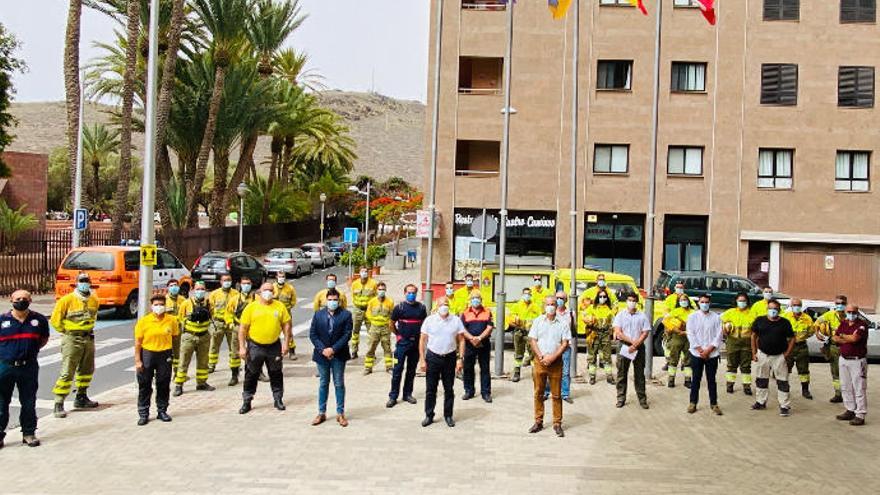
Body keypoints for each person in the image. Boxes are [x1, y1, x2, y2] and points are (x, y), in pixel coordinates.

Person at [0, 290, 50, 447]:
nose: (21, 301)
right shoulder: (2, 320)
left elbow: (43, 339)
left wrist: (29, 352)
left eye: (24, 299)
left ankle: (29, 433)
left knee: (28, 402)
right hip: (5, 367)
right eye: (18, 299)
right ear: (11, 300)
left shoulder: (39, 320)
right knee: (1, 403)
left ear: (30, 300)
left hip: (28, 367)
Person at [50, 273, 100, 418]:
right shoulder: (67, 300)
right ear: (76, 283)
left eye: (87, 281)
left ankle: (81, 396)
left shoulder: (93, 299)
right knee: (68, 370)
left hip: (88, 337)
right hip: (72, 338)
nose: (85, 283)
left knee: (87, 369)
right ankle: (59, 402)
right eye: (82, 281)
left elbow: (94, 316)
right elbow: (55, 320)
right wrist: (68, 331)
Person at [237, 283, 292, 414]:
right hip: (255, 346)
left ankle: (278, 399)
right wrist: (242, 347)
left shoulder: (280, 306)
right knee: (251, 374)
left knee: (276, 373)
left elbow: (286, 326)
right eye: (265, 290)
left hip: (274, 345)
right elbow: (243, 329)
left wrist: (286, 344)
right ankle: (247, 401)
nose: (268, 292)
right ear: (259, 292)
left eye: (271, 290)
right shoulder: (251, 307)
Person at [419, 297, 466, 428]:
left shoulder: (456, 320)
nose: (444, 307)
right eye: (441, 304)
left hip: (449, 358)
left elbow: (461, 340)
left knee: (449, 389)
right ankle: (429, 415)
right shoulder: (429, 320)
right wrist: (422, 360)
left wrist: (460, 358)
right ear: (436, 306)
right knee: (430, 389)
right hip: (433, 357)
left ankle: (448, 415)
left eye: (446, 304)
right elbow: (422, 340)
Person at [528, 296, 571, 438]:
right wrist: (540, 356)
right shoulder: (538, 321)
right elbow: (533, 340)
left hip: (555, 362)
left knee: (556, 394)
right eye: (548, 304)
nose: (551, 306)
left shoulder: (563, 323)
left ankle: (557, 423)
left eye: (553, 304)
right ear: (544, 305)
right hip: (540, 361)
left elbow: (565, 343)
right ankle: (538, 421)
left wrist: (553, 356)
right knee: (538, 393)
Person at [309, 289, 352, 427]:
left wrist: (333, 349)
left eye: (335, 300)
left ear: (338, 301)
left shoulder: (346, 315)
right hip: (322, 356)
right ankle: (321, 412)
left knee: (339, 383)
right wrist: (323, 350)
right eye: (330, 300)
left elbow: (347, 335)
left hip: (338, 354)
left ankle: (340, 413)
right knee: (323, 383)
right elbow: (313, 334)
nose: (332, 302)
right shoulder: (318, 315)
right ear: (326, 300)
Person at [134, 294, 179, 426]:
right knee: (145, 385)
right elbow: (138, 343)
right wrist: (138, 360)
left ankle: (162, 410)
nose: (159, 307)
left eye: (161, 304)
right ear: (151, 306)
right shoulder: (144, 321)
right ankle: (143, 413)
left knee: (163, 384)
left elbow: (175, 337)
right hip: (147, 353)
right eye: (156, 305)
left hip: (165, 354)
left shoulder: (171, 320)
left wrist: (175, 357)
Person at [751, 299, 796, 417]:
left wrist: (787, 354)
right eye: (771, 308)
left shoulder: (785, 323)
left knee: (782, 381)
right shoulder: (760, 321)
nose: (773, 311)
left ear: (779, 310)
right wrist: (754, 352)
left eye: (775, 309)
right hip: (763, 355)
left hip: (779, 356)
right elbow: (753, 336)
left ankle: (784, 405)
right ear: (767, 309)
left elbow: (792, 338)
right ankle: (760, 402)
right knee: (761, 379)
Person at [387, 284, 427, 408]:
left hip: (415, 344)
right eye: (409, 292)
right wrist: (398, 335)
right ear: (405, 293)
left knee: (411, 371)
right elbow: (391, 323)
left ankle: (407, 394)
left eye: (414, 292)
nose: (412, 294)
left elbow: (424, 325)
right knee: (397, 371)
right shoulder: (399, 308)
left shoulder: (421, 308)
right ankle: (393, 396)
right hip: (402, 344)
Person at [174, 281, 214, 396]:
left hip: (204, 336)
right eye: (198, 289)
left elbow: (213, 315)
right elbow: (180, 319)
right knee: (183, 361)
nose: (200, 291)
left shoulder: (209, 303)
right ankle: (179, 385)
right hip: (189, 336)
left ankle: (201, 383)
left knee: (203, 361)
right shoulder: (186, 303)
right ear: (193, 290)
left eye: (202, 289)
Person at [685, 294, 724, 415]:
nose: (704, 304)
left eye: (706, 302)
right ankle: (693, 403)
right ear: (698, 303)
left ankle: (714, 404)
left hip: (712, 354)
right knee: (696, 379)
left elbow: (719, 335)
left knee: (711, 380)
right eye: (702, 302)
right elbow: (690, 334)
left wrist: (709, 350)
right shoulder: (692, 317)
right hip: (697, 353)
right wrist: (700, 350)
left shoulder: (716, 318)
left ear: (710, 303)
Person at [612, 293, 650, 409]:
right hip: (624, 346)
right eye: (629, 300)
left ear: (637, 302)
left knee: (639, 374)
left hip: (638, 347)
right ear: (626, 301)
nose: (631, 302)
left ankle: (642, 399)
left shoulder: (642, 316)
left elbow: (645, 332)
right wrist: (631, 342)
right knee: (622, 373)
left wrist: (636, 344)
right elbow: (618, 332)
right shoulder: (621, 315)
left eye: (633, 300)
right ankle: (621, 398)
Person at [833, 304, 868, 426]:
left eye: (853, 312)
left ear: (857, 312)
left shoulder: (862, 325)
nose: (851, 314)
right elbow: (835, 337)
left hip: (857, 361)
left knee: (859, 388)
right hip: (844, 359)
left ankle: (860, 414)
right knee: (845, 386)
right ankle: (850, 409)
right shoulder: (843, 323)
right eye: (849, 312)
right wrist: (845, 338)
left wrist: (843, 336)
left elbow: (854, 339)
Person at [460, 291, 494, 403]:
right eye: (473, 298)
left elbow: (489, 327)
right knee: (468, 368)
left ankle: (486, 393)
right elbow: (462, 329)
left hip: (483, 343)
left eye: (478, 298)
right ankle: (469, 391)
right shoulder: (464, 313)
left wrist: (479, 338)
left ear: (481, 299)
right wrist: (471, 338)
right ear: (470, 300)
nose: (476, 300)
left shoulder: (488, 312)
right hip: (469, 344)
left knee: (485, 368)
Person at [720, 292, 756, 395]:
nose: (742, 303)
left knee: (746, 366)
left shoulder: (752, 314)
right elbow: (721, 323)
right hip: (732, 341)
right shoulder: (730, 312)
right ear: (736, 301)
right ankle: (730, 385)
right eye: (740, 300)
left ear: (747, 302)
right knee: (731, 364)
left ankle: (747, 386)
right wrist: (725, 329)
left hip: (746, 342)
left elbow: (755, 332)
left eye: (744, 301)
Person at [815, 295, 848, 403]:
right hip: (834, 347)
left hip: (847, 348)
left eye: (842, 303)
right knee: (835, 372)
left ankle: (848, 394)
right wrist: (817, 334)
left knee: (848, 373)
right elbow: (817, 323)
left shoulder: (850, 315)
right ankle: (838, 394)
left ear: (846, 304)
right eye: (838, 303)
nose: (840, 305)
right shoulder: (829, 315)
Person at [223, 276, 256, 386]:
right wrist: (230, 323)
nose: (246, 286)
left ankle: (257, 373)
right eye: (244, 283)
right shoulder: (234, 299)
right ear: (240, 285)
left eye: (248, 283)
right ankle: (234, 375)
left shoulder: (256, 298)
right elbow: (228, 313)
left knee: (254, 352)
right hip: (238, 327)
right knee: (235, 352)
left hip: (252, 328)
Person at [544, 291, 576, 403]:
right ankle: (546, 392)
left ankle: (565, 394)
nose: (559, 300)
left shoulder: (571, 313)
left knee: (565, 372)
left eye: (562, 298)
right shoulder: (551, 312)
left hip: (566, 346)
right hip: (553, 346)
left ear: (566, 300)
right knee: (548, 370)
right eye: (557, 298)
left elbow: (573, 328)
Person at [207, 274, 240, 375]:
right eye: (225, 280)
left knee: (234, 346)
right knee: (214, 345)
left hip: (231, 324)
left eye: (229, 280)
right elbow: (210, 309)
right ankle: (211, 365)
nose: (227, 282)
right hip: (218, 323)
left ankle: (234, 366)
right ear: (221, 282)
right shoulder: (214, 294)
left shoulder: (236, 294)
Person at [783, 299, 814, 399]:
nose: (797, 307)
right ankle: (784, 388)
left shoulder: (807, 318)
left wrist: (801, 338)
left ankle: (805, 390)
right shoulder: (785, 317)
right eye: (794, 305)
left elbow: (811, 332)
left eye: (798, 305)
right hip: (787, 346)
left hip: (801, 346)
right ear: (791, 306)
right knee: (785, 368)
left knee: (804, 370)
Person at [583, 289, 616, 385]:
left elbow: (613, 322)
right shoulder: (592, 308)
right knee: (592, 356)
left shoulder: (609, 309)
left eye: (604, 296)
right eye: (600, 296)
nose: (602, 298)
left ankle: (609, 377)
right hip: (594, 334)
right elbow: (584, 316)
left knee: (607, 356)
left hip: (605, 334)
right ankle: (592, 377)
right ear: (597, 297)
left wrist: (614, 333)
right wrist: (588, 319)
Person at [662, 293, 695, 388]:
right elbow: (665, 321)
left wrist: (685, 331)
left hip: (689, 338)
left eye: (685, 300)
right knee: (673, 360)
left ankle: (688, 380)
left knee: (688, 360)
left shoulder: (693, 312)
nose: (683, 301)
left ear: (688, 301)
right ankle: (671, 380)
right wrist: (675, 329)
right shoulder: (675, 312)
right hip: (676, 338)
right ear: (678, 302)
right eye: (681, 300)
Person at [508, 287, 540, 383]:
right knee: (518, 353)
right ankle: (517, 373)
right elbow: (510, 320)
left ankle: (535, 374)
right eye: (525, 294)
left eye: (529, 294)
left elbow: (540, 318)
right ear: (522, 295)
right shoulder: (516, 306)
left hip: (532, 333)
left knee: (533, 353)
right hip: (519, 332)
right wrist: (516, 321)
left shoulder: (535, 306)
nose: (527, 296)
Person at [364, 282, 394, 375]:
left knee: (387, 348)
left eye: (383, 289)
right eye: (379, 289)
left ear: (385, 290)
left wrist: (389, 324)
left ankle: (389, 367)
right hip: (374, 328)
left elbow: (392, 314)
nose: (381, 291)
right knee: (371, 348)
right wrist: (373, 321)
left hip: (385, 328)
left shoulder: (390, 302)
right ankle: (368, 367)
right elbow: (368, 313)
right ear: (376, 290)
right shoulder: (372, 301)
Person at [349, 266, 378, 359]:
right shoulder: (355, 284)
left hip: (369, 310)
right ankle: (354, 351)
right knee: (355, 332)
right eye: (362, 271)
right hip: (357, 309)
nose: (364, 273)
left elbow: (376, 297)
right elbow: (353, 296)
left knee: (371, 332)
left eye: (366, 271)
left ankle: (371, 352)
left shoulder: (373, 283)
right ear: (359, 272)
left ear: (368, 272)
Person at [272, 271, 298, 360]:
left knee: (288, 332)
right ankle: (276, 352)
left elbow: (294, 300)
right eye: (280, 276)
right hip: (275, 314)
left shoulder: (290, 288)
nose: (281, 278)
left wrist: (289, 307)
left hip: (286, 314)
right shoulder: (273, 287)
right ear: (276, 277)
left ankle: (292, 351)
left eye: (283, 276)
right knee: (274, 332)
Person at [165, 279, 186, 374]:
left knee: (178, 353)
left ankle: (177, 373)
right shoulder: (164, 301)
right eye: (171, 285)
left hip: (179, 331)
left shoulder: (183, 300)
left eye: (176, 285)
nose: (174, 287)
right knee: (167, 353)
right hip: (167, 331)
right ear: (168, 288)